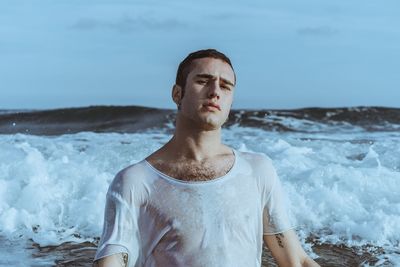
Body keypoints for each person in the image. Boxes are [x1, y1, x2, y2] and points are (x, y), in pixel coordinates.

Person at [93, 49, 320, 267]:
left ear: (231, 101)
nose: (215, 91)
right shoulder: (137, 181)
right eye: (203, 81)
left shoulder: (257, 170)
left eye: (225, 86)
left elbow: (295, 261)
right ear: (177, 93)